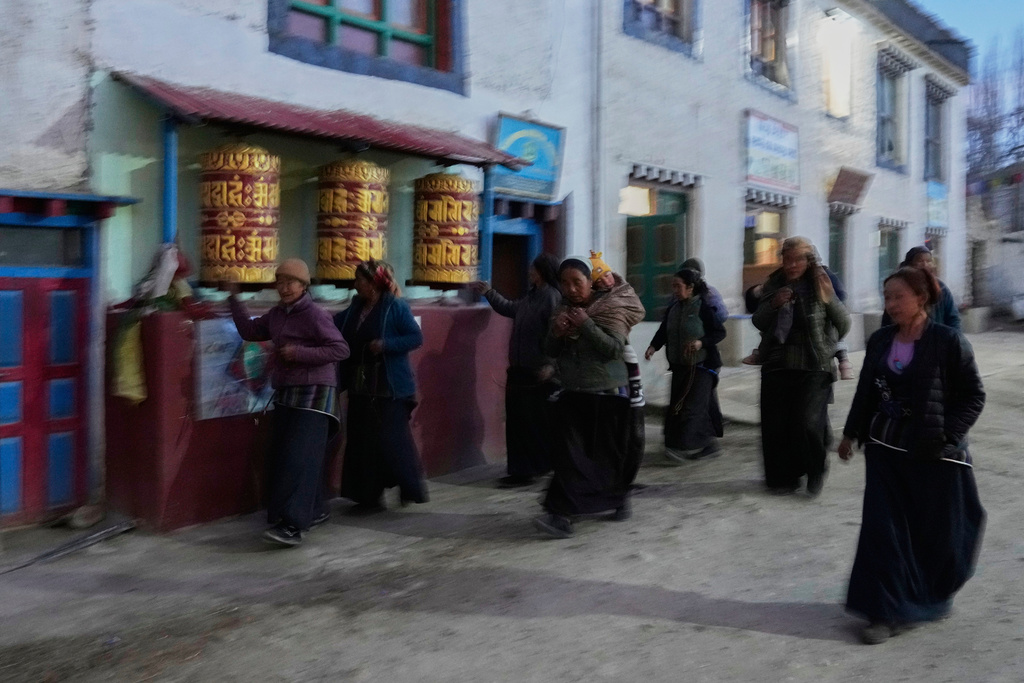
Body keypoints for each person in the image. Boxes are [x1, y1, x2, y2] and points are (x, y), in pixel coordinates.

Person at [839, 265, 985, 645]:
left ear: (920, 298)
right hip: (885, 449)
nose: (889, 306)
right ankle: (884, 612)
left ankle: (925, 598)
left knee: (936, 532)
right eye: (886, 298)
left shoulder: (948, 341)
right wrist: (851, 433)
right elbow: (866, 392)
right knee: (882, 530)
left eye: (897, 297)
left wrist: (947, 435)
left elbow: (973, 396)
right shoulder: (881, 340)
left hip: (930, 454)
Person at [227, 258, 350, 547]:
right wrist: (233, 297)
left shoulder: (315, 315)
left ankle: (293, 526)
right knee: (287, 456)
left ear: (304, 286)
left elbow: (340, 349)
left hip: (315, 395)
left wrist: (299, 353)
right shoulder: (277, 314)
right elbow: (250, 331)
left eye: (290, 283)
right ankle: (315, 510)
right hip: (288, 393)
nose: (284, 288)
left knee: (299, 459)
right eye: (280, 282)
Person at [533, 258, 636, 538]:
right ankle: (560, 515)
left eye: (577, 282)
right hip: (573, 392)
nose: (571, 288)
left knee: (606, 457)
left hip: (607, 393)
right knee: (569, 456)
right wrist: (557, 333)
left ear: (590, 282)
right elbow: (550, 349)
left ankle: (616, 499)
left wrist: (587, 324)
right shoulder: (562, 308)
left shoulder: (610, 307)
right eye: (565, 283)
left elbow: (614, 349)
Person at [752, 237, 850, 496]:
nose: (792, 264)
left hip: (814, 364)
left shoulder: (821, 281)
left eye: (798, 259)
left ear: (809, 261)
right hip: (777, 362)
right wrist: (774, 303)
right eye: (787, 259)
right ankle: (784, 478)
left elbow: (844, 324)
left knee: (807, 422)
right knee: (777, 425)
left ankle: (816, 471)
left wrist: (828, 302)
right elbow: (759, 321)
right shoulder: (774, 283)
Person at [334, 259, 427, 511]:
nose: (355, 285)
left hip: (390, 387)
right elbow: (332, 327)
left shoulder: (395, 307)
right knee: (362, 441)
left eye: (360, 280)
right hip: (361, 386)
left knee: (391, 441)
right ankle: (369, 498)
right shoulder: (353, 310)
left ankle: (408, 486)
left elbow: (415, 337)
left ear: (374, 283)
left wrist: (385, 344)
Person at [472, 253, 562, 488]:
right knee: (518, 423)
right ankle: (526, 469)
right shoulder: (532, 297)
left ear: (541, 272)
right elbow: (510, 308)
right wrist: (489, 293)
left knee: (532, 424)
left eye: (533, 269)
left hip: (538, 373)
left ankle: (528, 471)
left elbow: (557, 335)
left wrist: (551, 364)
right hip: (520, 370)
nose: (529, 272)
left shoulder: (552, 298)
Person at [645, 268, 727, 461]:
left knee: (692, 407)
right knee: (677, 406)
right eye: (673, 286)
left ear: (690, 288)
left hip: (702, 366)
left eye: (678, 286)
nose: (674, 290)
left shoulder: (703, 307)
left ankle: (693, 446)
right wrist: (653, 346)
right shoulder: (674, 309)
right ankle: (678, 445)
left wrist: (701, 342)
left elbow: (719, 332)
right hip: (680, 365)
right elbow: (664, 331)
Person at [587, 251, 647, 485]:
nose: (606, 281)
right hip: (604, 363)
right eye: (599, 280)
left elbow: (637, 311)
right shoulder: (590, 300)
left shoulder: (623, 293)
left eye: (607, 276)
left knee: (626, 413)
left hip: (623, 357)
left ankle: (622, 475)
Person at [742, 261, 855, 380]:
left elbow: (842, 319)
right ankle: (844, 362)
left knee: (828, 328)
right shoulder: (778, 283)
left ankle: (844, 361)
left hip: (824, 312)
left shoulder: (805, 278)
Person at [881, 245, 961, 331]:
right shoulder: (899, 286)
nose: (925, 264)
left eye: (928, 261)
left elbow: (953, 319)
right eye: (920, 260)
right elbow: (887, 321)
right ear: (909, 264)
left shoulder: (941, 288)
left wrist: (953, 339)